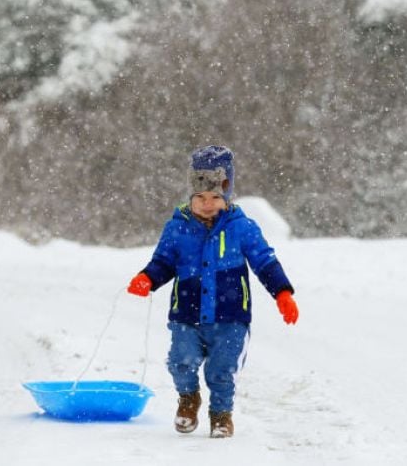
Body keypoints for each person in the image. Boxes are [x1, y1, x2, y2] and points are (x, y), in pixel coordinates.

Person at [126, 145, 298, 438]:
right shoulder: (177, 228)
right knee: (181, 361)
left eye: (216, 197)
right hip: (186, 316)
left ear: (227, 198)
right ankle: (188, 398)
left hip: (230, 317)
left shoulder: (241, 227)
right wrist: (147, 278)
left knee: (222, 371)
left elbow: (264, 261)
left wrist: (282, 293)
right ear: (191, 197)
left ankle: (221, 415)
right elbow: (163, 262)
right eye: (201, 198)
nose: (207, 204)